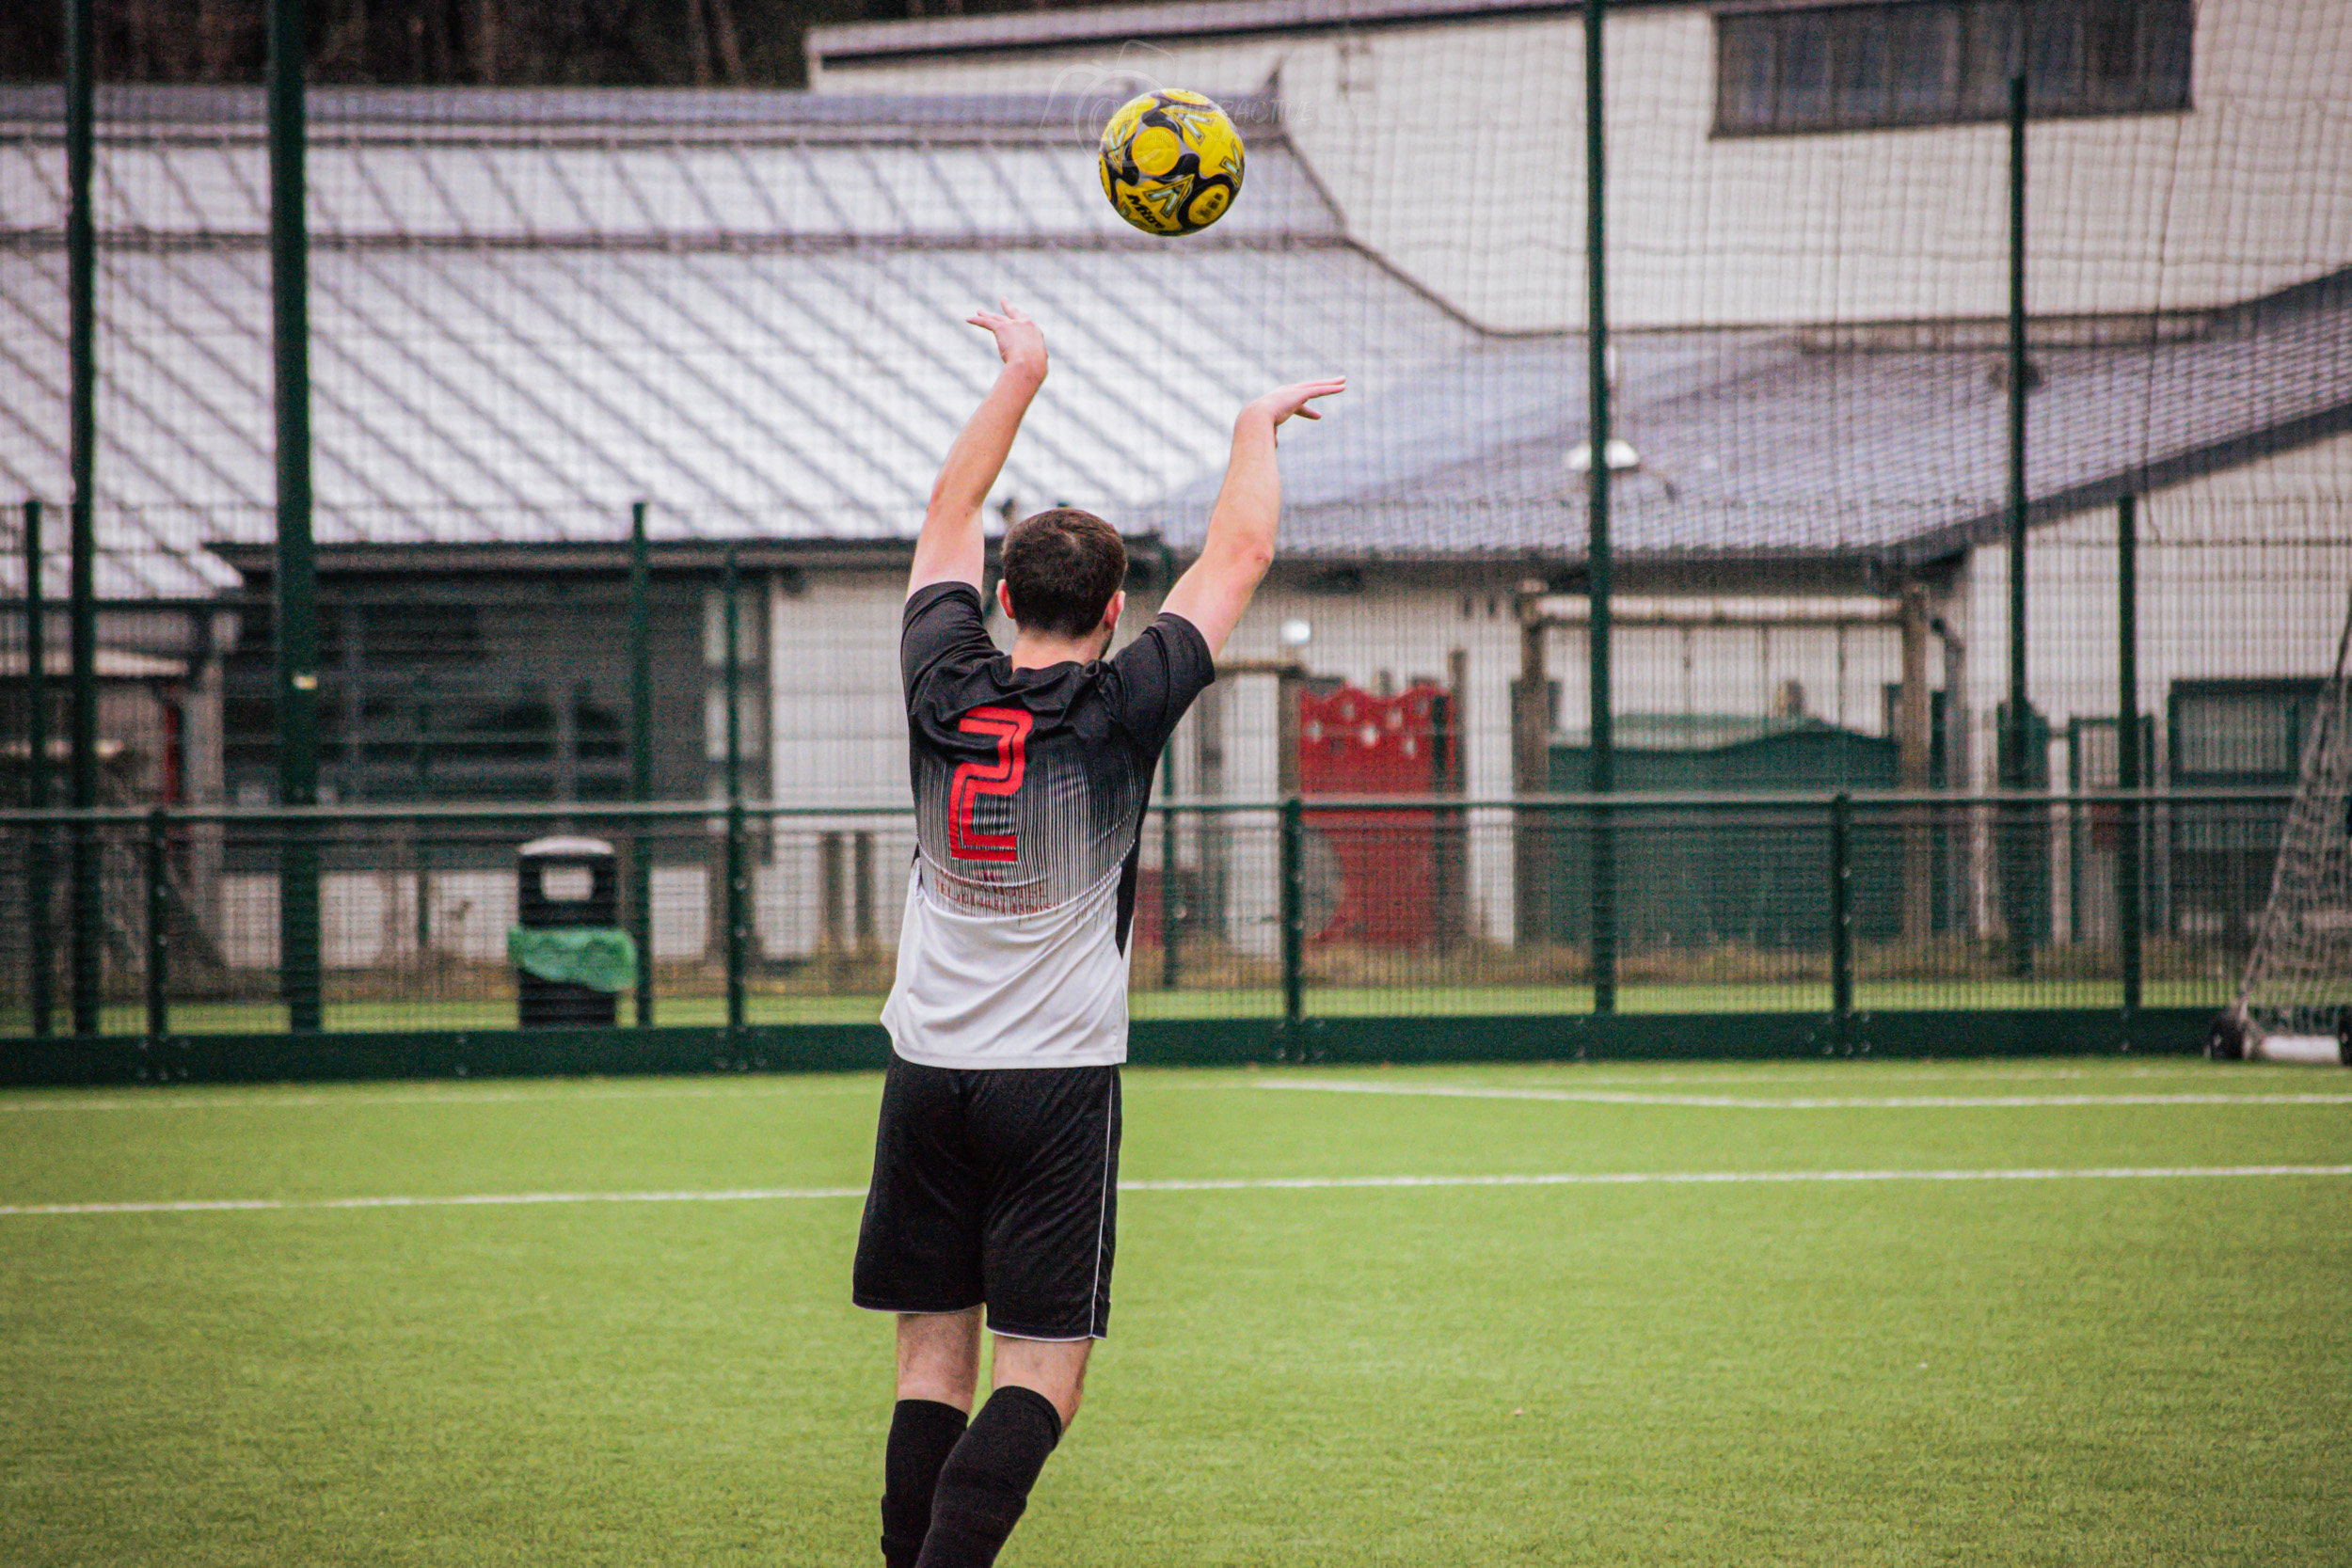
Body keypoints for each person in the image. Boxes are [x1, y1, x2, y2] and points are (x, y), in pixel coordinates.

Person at [851, 299, 1343, 1568]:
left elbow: (945, 518)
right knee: (1045, 1374)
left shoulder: (940, 679)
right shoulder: (1125, 706)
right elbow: (1234, 557)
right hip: (1055, 1089)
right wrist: (1253, 428)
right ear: (1117, 605)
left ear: (1001, 597)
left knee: (928, 1361)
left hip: (925, 1076)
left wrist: (1024, 373)